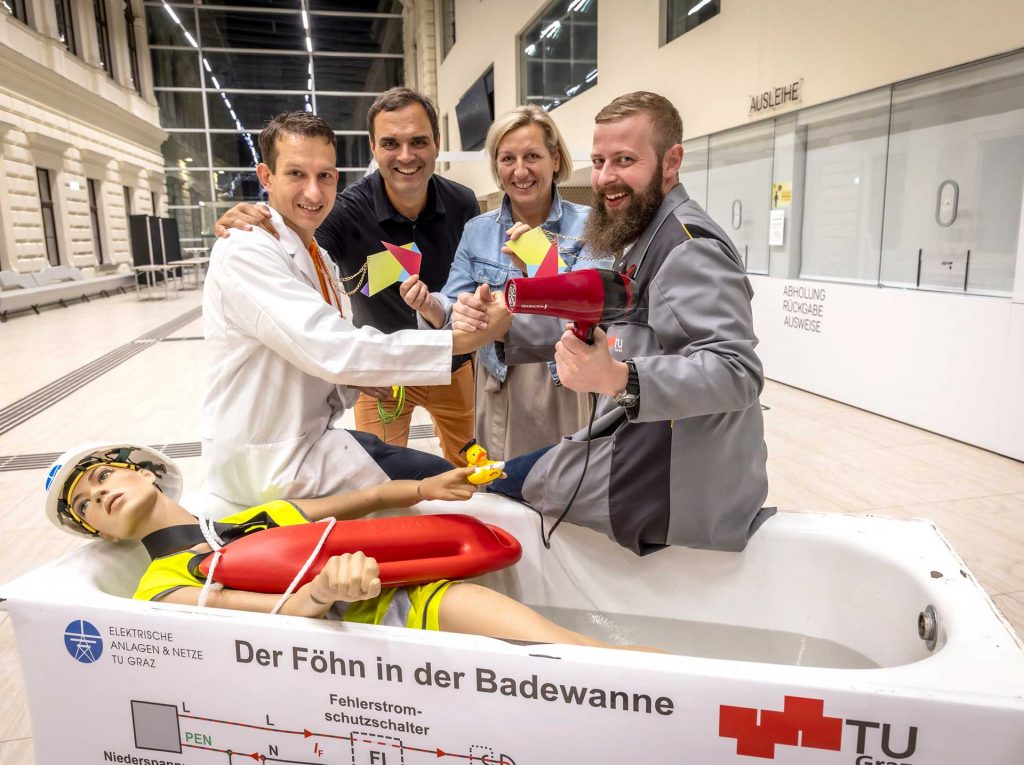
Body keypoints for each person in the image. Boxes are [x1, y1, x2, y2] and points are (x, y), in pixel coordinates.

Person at [453, 92, 772, 556]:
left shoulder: (689, 246)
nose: (605, 178)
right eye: (600, 161)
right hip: (635, 445)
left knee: (491, 489)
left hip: (665, 478)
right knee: (498, 479)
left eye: (625, 160)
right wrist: (502, 328)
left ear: (671, 161)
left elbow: (737, 372)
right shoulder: (643, 232)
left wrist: (620, 377)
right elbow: (619, 319)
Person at [42, 442, 649, 651]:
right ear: (101, 534)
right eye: (87, 509)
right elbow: (268, 614)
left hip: (415, 601)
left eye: (102, 478)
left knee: (575, 650)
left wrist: (426, 486)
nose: (100, 498)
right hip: (355, 643)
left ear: (145, 471)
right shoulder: (160, 584)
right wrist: (322, 590)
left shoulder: (254, 519)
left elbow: (358, 504)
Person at [203, 110, 487, 509]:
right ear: (265, 177)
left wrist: (354, 380)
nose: (314, 193)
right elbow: (328, 344)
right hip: (282, 449)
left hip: (396, 375)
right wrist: (461, 339)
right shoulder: (258, 243)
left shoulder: (460, 201)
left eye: (324, 176)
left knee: (465, 474)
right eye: (296, 174)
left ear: (436, 145)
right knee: (430, 494)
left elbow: (318, 334)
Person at [402, 105, 610, 461]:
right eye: (507, 158)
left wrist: (539, 260)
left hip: (564, 383)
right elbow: (454, 307)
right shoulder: (477, 230)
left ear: (555, 159)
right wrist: (431, 307)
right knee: (499, 490)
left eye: (532, 156)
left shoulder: (591, 225)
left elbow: (592, 312)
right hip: (495, 381)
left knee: (562, 493)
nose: (520, 170)